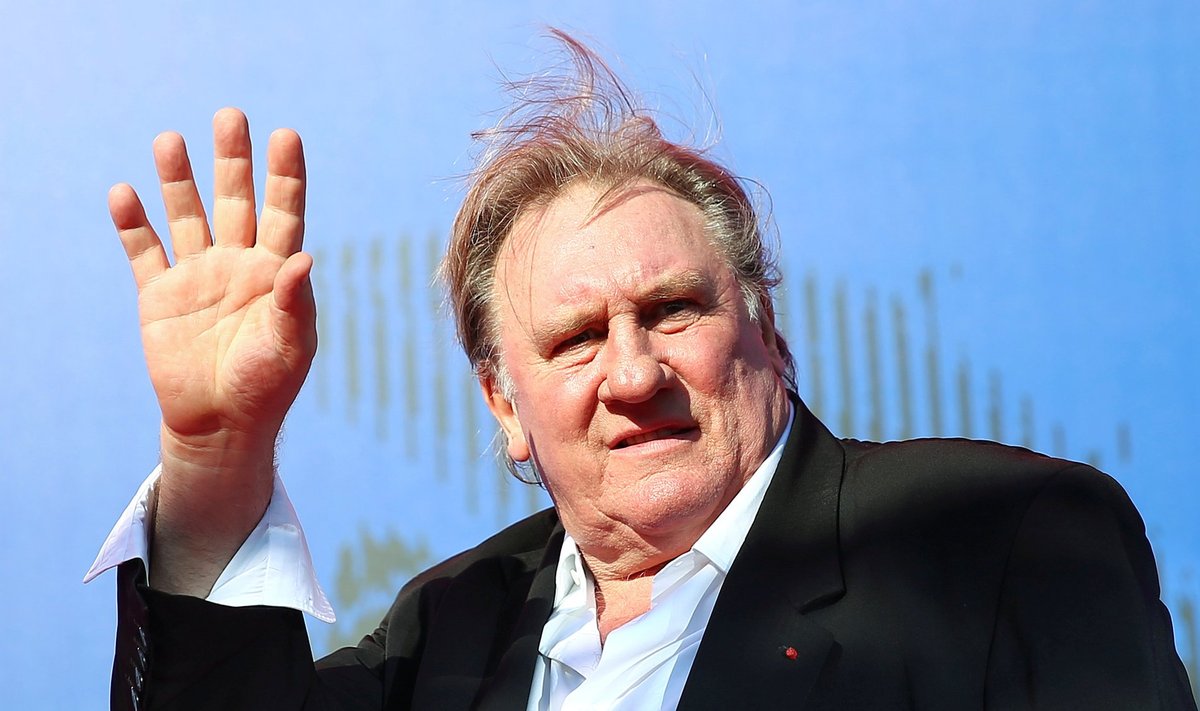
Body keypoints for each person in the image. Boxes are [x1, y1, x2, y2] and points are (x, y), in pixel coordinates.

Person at [89, 34, 1195, 710]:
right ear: (502, 405)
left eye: (671, 310)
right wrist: (218, 454)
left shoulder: (998, 536)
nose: (631, 372)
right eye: (573, 338)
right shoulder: (449, 632)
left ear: (764, 328)